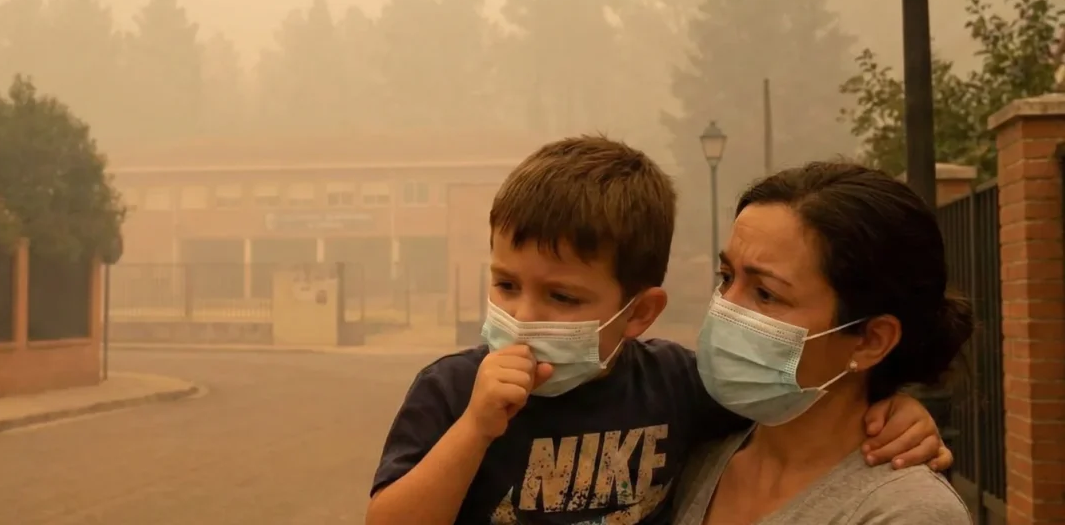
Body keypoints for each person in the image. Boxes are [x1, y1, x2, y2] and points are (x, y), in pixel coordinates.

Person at [366, 137, 953, 525]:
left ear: (640, 313)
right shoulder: (713, 455)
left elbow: (831, 423)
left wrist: (896, 406)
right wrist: (474, 428)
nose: (524, 316)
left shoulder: (676, 392)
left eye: (766, 293)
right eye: (726, 278)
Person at [674, 161, 973, 524]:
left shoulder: (904, 511)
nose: (724, 307)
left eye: (766, 294)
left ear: (870, 341)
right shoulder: (689, 453)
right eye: (726, 277)